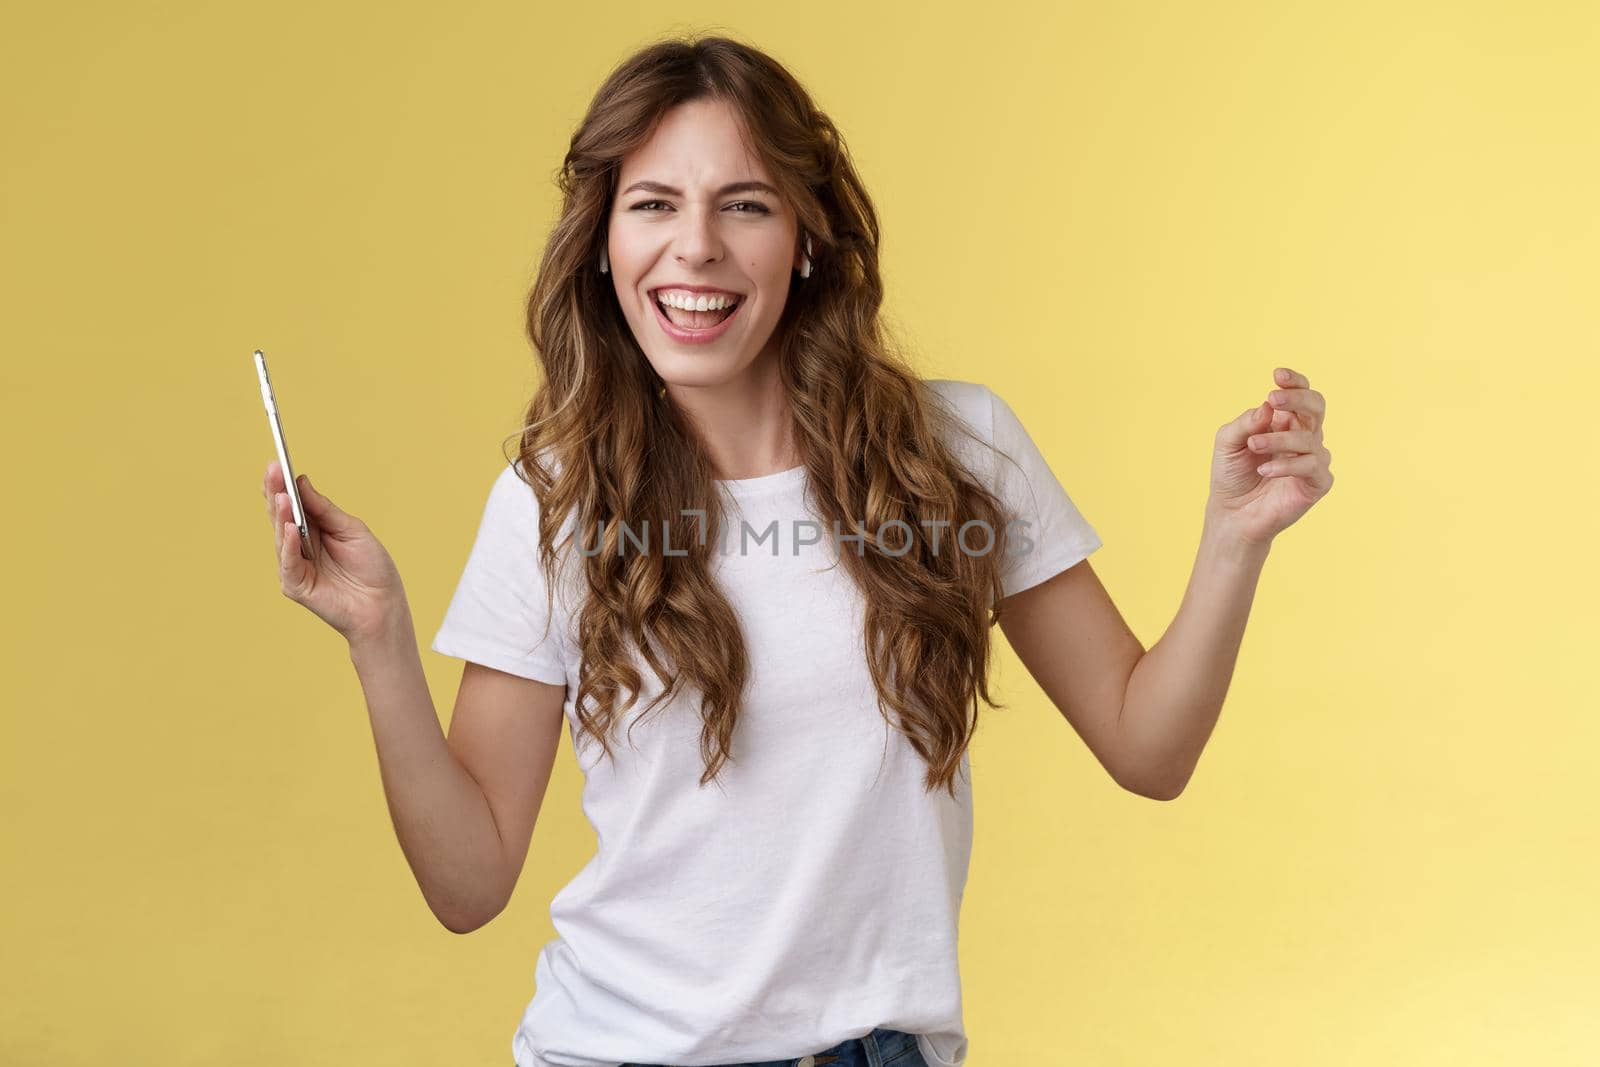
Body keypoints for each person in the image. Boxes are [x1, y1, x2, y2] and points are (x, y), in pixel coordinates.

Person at [258, 34, 1333, 1067]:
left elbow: (1148, 749)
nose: (696, 248)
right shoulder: (555, 499)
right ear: (603, 244)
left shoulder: (957, 451)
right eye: (652, 205)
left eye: (744, 205)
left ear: (807, 236)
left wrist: (1232, 540)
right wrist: (379, 638)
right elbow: (469, 882)